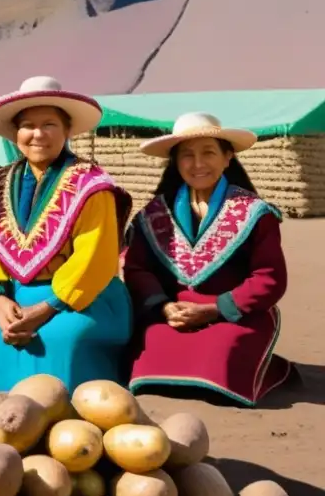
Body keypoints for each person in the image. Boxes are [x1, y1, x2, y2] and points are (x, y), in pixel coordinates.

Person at [0, 76, 133, 392]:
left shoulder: (91, 185)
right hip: (12, 297)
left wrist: (47, 308)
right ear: (15, 133)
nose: (38, 134)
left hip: (81, 298)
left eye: (49, 124)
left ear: (67, 130)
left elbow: (95, 257)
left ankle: (69, 407)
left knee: (62, 337)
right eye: (28, 125)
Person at [124, 113, 290, 405]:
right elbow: (138, 268)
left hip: (233, 313)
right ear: (175, 162)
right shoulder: (153, 214)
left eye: (208, 153)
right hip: (173, 315)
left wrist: (216, 309)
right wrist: (162, 306)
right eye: (187, 155)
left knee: (223, 349)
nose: (198, 164)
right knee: (151, 345)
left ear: (228, 157)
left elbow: (269, 277)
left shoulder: (255, 213)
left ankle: (266, 366)